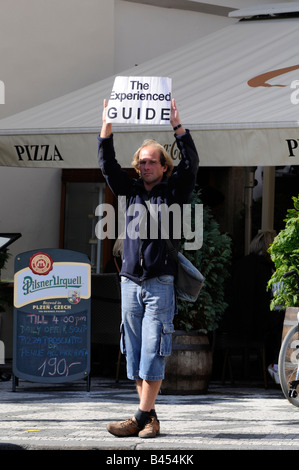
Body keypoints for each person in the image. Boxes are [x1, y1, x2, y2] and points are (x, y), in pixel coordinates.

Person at [97, 98, 199, 438]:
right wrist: (106, 130)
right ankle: (150, 417)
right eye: (141, 162)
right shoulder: (131, 191)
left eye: (151, 162)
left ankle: (139, 419)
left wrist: (178, 127)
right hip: (129, 282)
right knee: (135, 353)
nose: (144, 167)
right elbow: (108, 166)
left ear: (163, 165)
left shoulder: (174, 192)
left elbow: (192, 163)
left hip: (159, 283)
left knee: (154, 350)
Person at [231, 230, 284, 383]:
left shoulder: (240, 264)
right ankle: (274, 368)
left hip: (234, 323)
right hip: (256, 325)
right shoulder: (265, 268)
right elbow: (266, 302)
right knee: (280, 321)